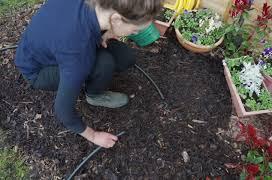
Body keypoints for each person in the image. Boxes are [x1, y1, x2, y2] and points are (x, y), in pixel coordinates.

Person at [14, 0, 162, 148]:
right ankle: (94, 95)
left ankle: (93, 76)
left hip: (53, 43)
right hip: (39, 70)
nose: (134, 34)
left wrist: (107, 32)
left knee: (125, 57)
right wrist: (94, 135)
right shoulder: (77, 53)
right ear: (116, 19)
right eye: (135, 30)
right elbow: (63, 110)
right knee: (103, 63)